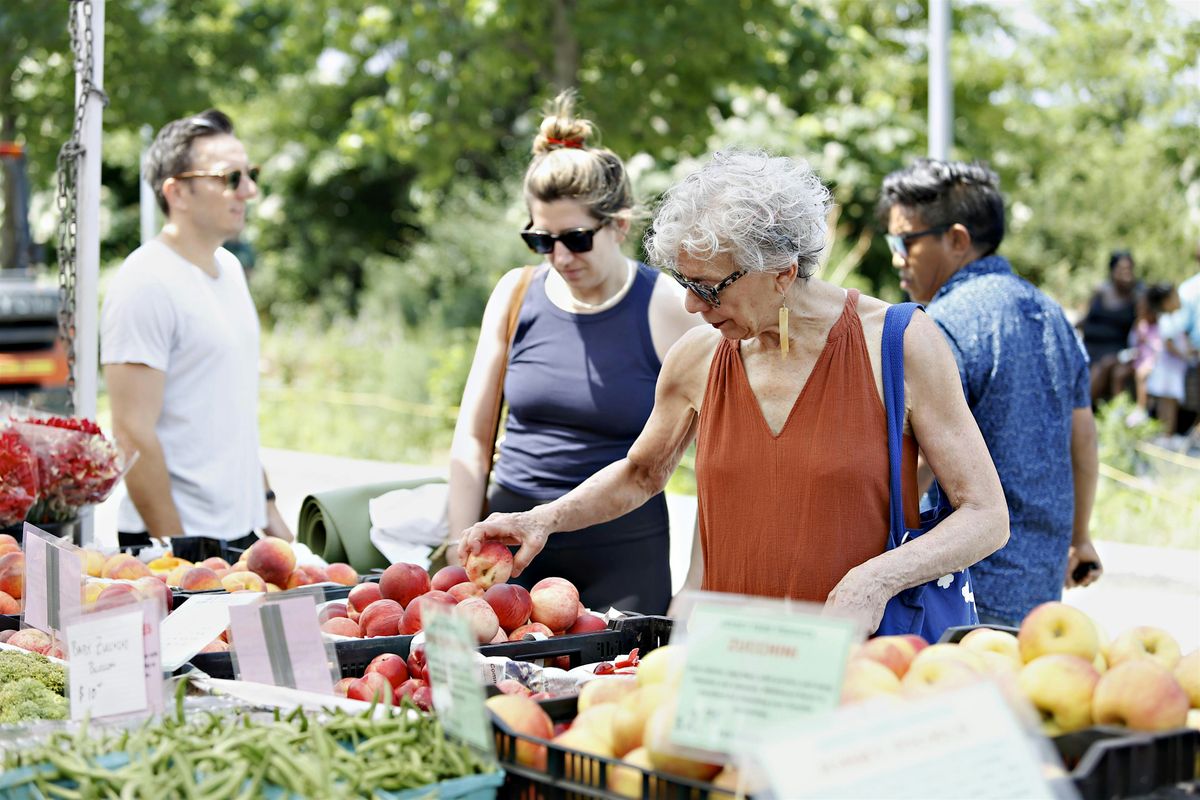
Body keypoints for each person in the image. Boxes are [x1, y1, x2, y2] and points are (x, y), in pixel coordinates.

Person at [459, 149, 1009, 634]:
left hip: (861, 657)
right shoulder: (698, 358)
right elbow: (639, 474)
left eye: (708, 288)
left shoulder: (899, 344)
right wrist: (544, 518)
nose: (693, 307)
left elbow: (985, 515)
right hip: (733, 662)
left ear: (782, 272)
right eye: (684, 286)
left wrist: (875, 580)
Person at [445, 92, 698, 615]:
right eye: (542, 240)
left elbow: (719, 463)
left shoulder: (672, 308)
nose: (560, 257)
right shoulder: (515, 294)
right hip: (508, 553)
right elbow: (471, 438)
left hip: (622, 553)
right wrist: (457, 542)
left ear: (620, 225)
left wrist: (696, 586)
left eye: (578, 239)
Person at [878, 158, 1100, 627]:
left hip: (964, 590)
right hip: (1041, 583)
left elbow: (913, 459)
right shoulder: (1051, 313)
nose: (897, 256)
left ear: (956, 239)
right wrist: (1080, 538)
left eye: (905, 241)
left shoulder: (942, 324)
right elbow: (1083, 439)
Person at [101, 109, 291, 560]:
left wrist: (268, 511)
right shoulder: (145, 280)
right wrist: (182, 555)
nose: (249, 190)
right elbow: (131, 433)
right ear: (177, 191)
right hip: (178, 543)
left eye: (251, 174)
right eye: (230, 177)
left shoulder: (229, 268)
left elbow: (231, 411)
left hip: (240, 534)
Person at [1078, 250, 1140, 405]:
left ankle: (1081, 409)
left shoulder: (1136, 296)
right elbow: (1086, 317)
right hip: (1090, 345)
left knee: (1103, 365)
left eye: (1129, 269)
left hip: (1115, 349)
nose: (1126, 273)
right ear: (1112, 270)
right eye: (1121, 269)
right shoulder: (1100, 291)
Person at [1128, 283, 1184, 431]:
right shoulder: (1167, 320)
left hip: (1169, 366)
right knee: (1167, 402)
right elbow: (1169, 344)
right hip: (1168, 367)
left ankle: (1165, 433)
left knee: (1167, 402)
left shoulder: (1172, 319)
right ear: (1166, 302)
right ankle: (1164, 433)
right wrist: (1186, 355)